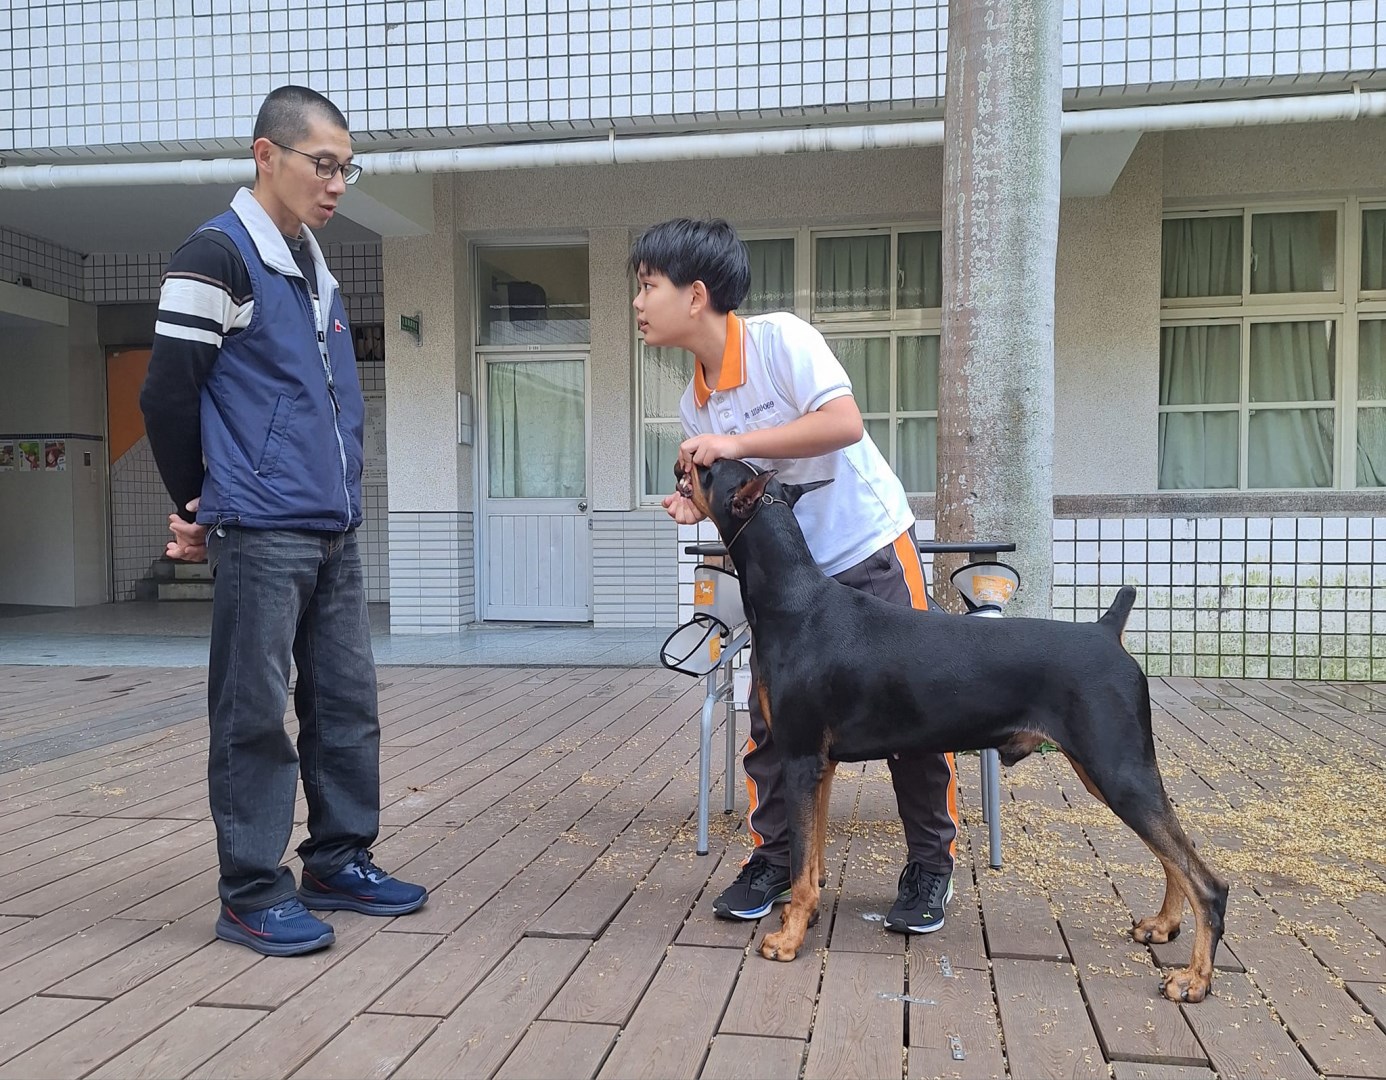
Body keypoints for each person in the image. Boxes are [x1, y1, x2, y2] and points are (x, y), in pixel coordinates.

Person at [140, 85, 426, 957]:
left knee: (346, 703)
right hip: (261, 528)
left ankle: (337, 861)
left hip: (331, 525)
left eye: (348, 169)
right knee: (253, 711)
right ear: (267, 155)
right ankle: (251, 892)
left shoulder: (310, 263)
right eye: (324, 165)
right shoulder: (217, 255)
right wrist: (198, 503)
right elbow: (167, 394)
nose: (338, 183)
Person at [633, 218, 960, 933]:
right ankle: (776, 859)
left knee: (917, 710)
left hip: (869, 546)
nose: (638, 301)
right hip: (791, 584)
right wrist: (695, 505)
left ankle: (929, 864)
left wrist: (734, 443)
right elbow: (745, 500)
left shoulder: (781, 340)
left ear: (695, 295)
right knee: (773, 721)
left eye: (648, 285)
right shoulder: (695, 402)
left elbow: (844, 423)